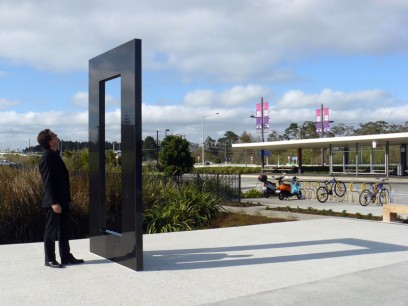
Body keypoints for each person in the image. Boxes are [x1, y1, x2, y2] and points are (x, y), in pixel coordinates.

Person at [37, 129, 84, 268]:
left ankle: (66, 256)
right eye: (54, 135)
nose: (57, 136)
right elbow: (48, 182)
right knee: (51, 231)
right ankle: (50, 259)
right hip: (54, 202)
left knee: (64, 229)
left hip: (62, 200)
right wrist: (53, 202)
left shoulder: (54, 154)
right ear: (50, 141)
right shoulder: (46, 157)